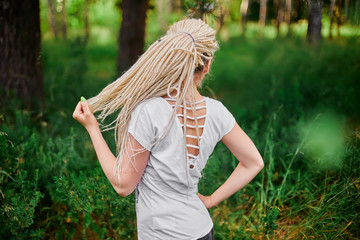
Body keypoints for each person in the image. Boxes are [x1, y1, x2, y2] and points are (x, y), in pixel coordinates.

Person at [73, 18, 264, 240]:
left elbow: (122, 185)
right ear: (207, 65)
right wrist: (211, 200)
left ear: (168, 59)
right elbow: (254, 162)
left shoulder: (150, 111)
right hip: (202, 230)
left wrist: (93, 128)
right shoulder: (217, 112)